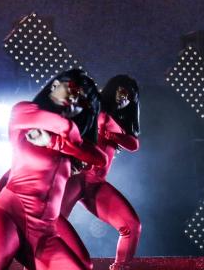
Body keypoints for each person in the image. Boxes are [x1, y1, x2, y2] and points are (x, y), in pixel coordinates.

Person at [0, 69, 107, 270]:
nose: (75, 97)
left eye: (84, 100)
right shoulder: (24, 111)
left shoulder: (70, 144)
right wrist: (67, 137)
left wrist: (54, 142)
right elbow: (65, 127)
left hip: (44, 231)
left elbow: (100, 159)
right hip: (7, 217)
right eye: (72, 88)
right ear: (54, 86)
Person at [59, 75, 141, 270]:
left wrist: (112, 134)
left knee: (132, 226)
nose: (125, 98)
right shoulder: (93, 109)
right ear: (112, 89)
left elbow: (134, 144)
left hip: (95, 183)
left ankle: (120, 267)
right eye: (122, 91)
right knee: (52, 222)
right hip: (75, 178)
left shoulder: (118, 122)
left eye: (129, 96)